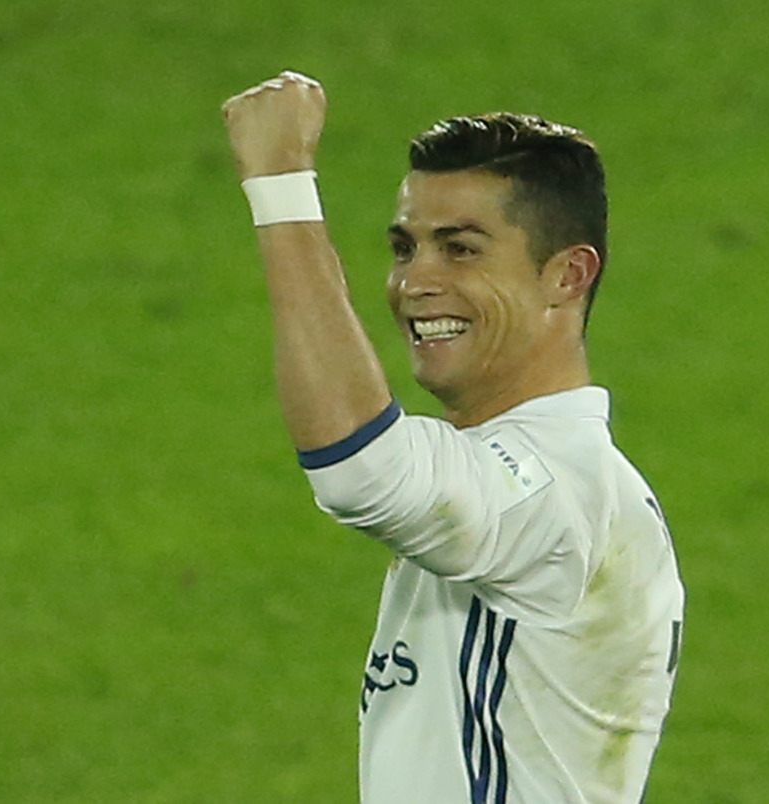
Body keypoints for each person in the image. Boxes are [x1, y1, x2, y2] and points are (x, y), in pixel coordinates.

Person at [222, 70, 685, 804]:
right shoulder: (541, 473)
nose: (415, 282)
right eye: (405, 249)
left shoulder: (556, 491)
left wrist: (280, 183)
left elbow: (362, 469)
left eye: (460, 249)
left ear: (567, 276)